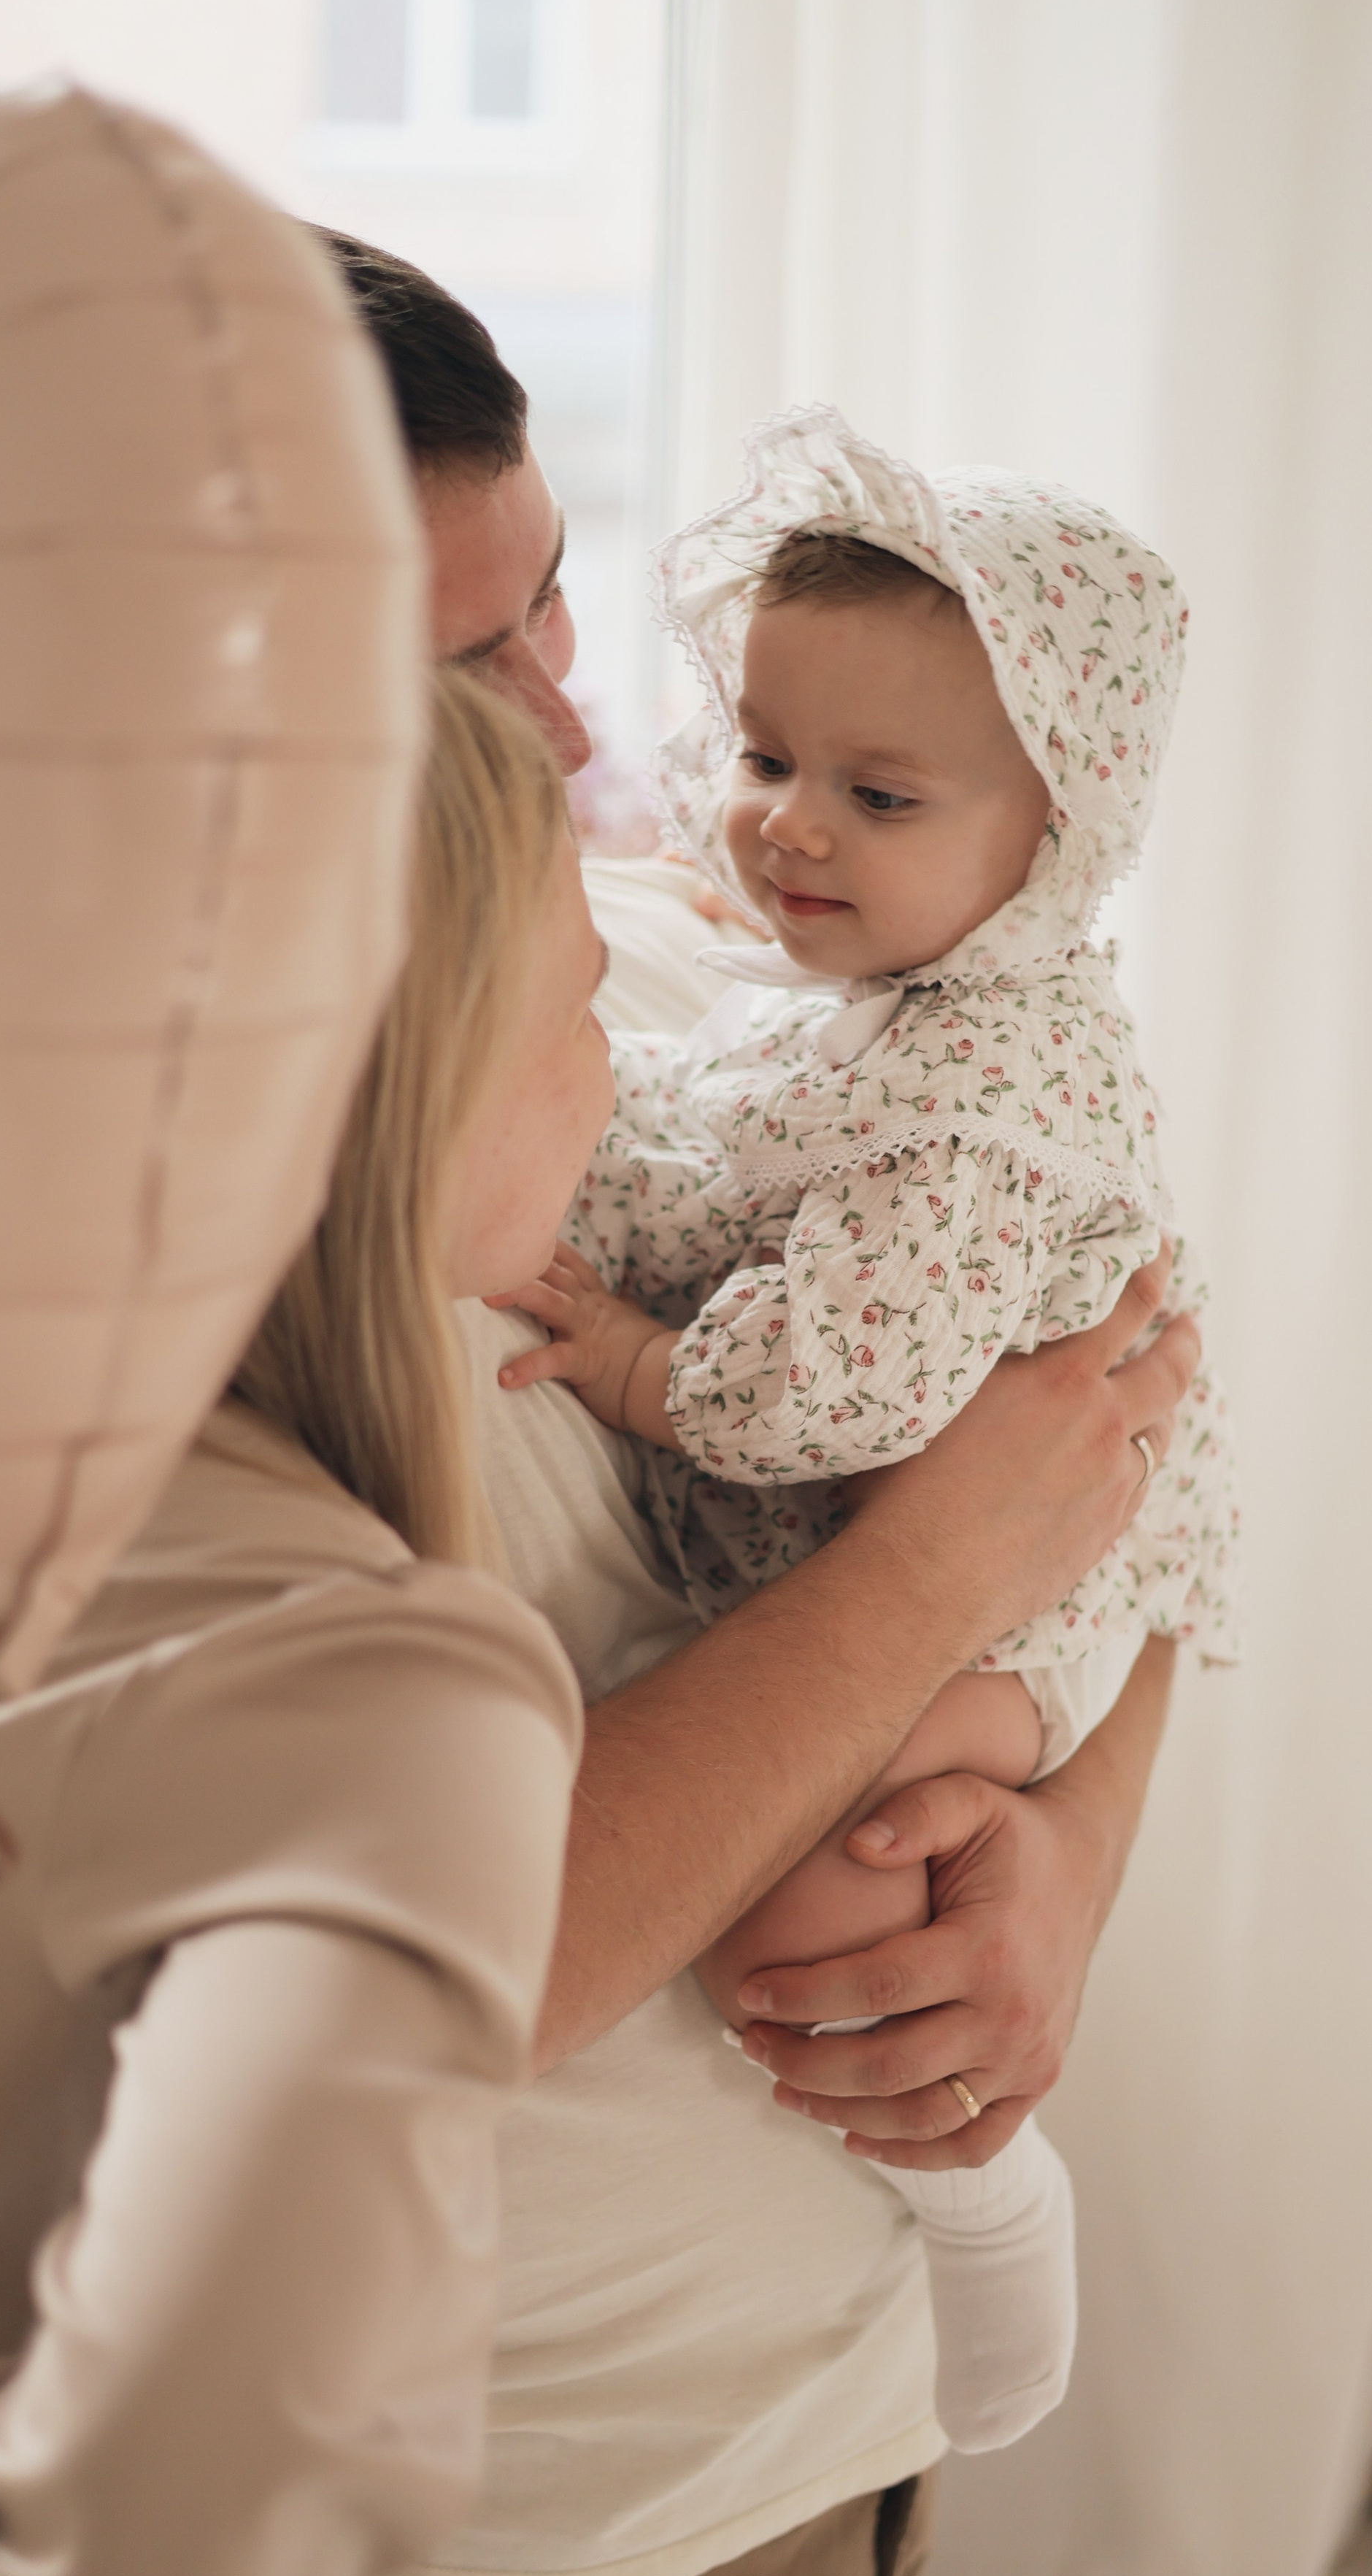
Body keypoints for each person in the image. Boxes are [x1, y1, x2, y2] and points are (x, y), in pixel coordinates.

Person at [285, 245, 1203, 2576]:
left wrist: (1070, 1850)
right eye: (463, 671)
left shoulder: (734, 963)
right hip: (520, 2544)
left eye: (556, 603)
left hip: (825, 2416)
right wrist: (937, 1577)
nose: (576, 718)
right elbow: (448, 1964)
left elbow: (1121, 1426)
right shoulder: (120, 1286)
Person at [0, 677, 604, 2576]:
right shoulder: (380, 1688)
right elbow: (132, 2563)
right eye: (588, 1009)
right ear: (420, 1085)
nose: (620, 1078)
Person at [494, 410, 1242, 2461]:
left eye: (878, 793)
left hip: (1028, 1608)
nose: (787, 832)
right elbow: (706, 1144)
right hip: (975, 1556)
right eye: (763, 759)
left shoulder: (980, 1095)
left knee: (824, 1901)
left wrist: (636, 1366)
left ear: (1055, 832)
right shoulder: (834, 990)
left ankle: (991, 2201)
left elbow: (842, 1383)